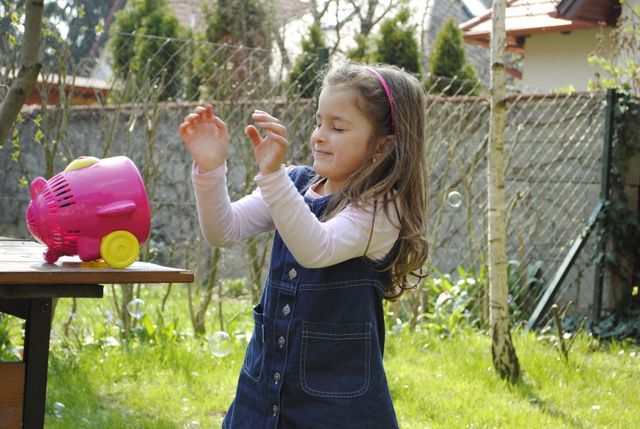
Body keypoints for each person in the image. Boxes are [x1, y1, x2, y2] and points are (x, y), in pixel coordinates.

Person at [179, 62, 429, 429]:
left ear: (381, 145)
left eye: (337, 127)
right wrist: (211, 167)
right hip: (262, 392)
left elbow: (316, 248)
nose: (319, 136)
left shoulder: (381, 209)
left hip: (336, 409)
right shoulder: (295, 183)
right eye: (318, 122)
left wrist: (272, 176)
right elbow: (224, 230)